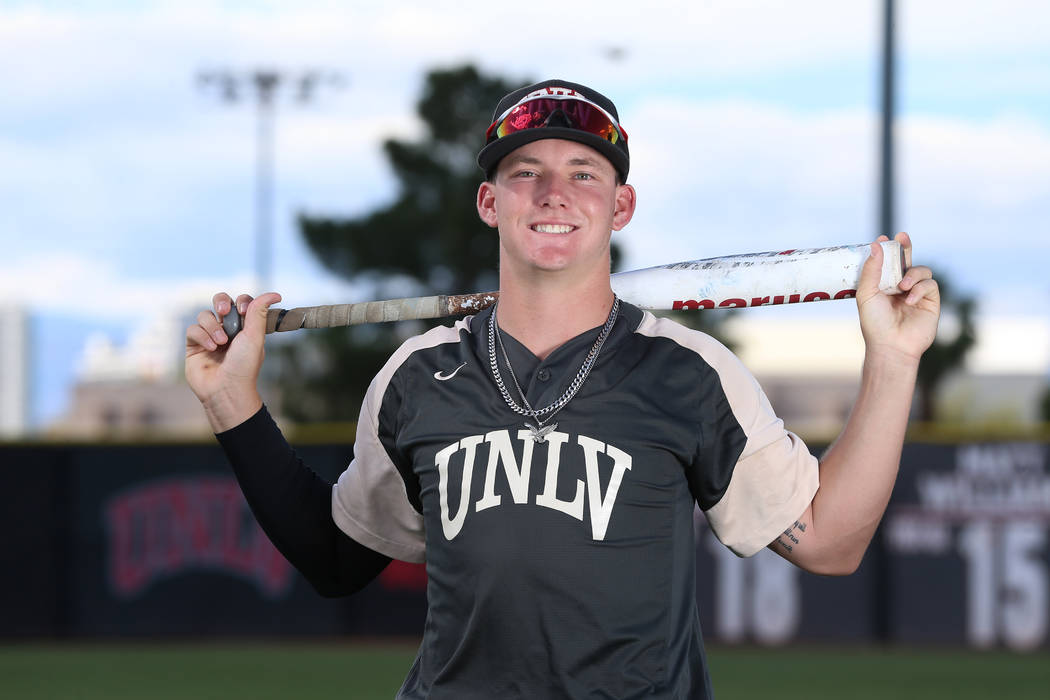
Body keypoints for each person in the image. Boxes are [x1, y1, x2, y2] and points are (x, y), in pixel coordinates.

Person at [185, 79, 940, 699]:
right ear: (490, 203)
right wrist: (231, 403)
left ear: (620, 207)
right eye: (525, 173)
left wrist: (895, 358)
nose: (553, 193)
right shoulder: (418, 377)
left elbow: (831, 543)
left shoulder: (688, 373)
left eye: (584, 174)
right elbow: (335, 560)